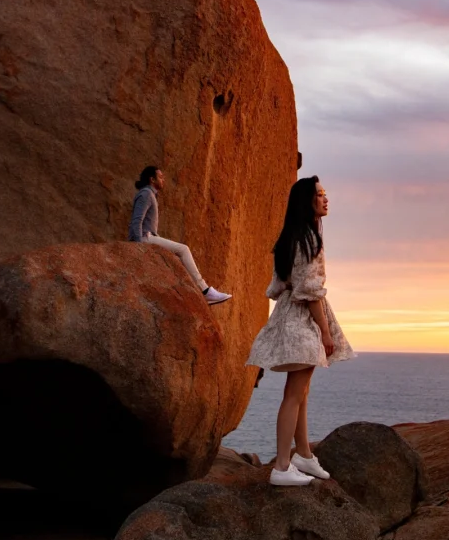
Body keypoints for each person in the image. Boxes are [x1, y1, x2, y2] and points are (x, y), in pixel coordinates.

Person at [247, 175, 353, 486]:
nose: (325, 198)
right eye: (319, 195)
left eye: (324, 194)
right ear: (306, 201)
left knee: (301, 391)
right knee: (294, 394)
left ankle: (303, 454)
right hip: (303, 319)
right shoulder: (309, 240)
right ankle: (282, 467)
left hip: (289, 315)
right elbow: (309, 290)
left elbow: (279, 285)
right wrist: (325, 331)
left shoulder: (291, 237)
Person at [128, 166, 231, 305]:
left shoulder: (149, 194)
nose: (163, 180)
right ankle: (206, 291)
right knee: (183, 249)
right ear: (152, 179)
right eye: (160, 177)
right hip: (145, 237)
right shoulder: (146, 194)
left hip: (148, 237)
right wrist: (138, 247)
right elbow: (137, 220)